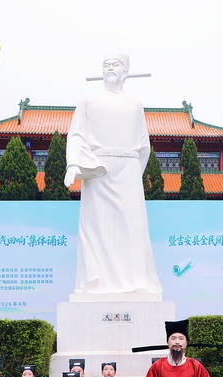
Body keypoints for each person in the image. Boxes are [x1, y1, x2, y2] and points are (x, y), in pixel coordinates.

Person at [63, 54, 162, 296]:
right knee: (94, 226)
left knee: (133, 226)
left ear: (125, 71)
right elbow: (76, 134)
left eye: (115, 64)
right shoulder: (88, 99)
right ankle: (92, 283)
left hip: (128, 166)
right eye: (106, 65)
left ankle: (138, 281)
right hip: (98, 166)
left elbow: (144, 144)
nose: (109, 68)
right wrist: (73, 164)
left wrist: (134, 173)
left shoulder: (135, 104)